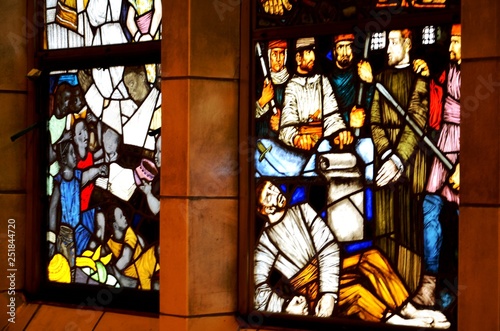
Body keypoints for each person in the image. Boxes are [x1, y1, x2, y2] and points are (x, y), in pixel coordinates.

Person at [254, 180, 450, 328]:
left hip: (328, 269)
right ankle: (397, 323)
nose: (275, 192)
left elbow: (328, 246)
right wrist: (284, 306)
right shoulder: (265, 242)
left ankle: (409, 311)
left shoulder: (302, 210)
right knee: (355, 291)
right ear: (263, 209)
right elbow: (256, 287)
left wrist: (329, 292)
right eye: (268, 196)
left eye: (272, 188)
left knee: (371, 256)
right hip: (308, 289)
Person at [369, 29, 429, 289]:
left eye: (394, 42)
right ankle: (386, 291)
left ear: (408, 43)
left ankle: (409, 290)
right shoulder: (380, 77)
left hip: (411, 163)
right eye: (387, 43)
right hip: (384, 164)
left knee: (409, 230)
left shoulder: (420, 77)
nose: (388, 49)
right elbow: (374, 120)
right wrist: (385, 153)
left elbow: (418, 119)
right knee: (383, 229)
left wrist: (398, 159)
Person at [413, 24, 461, 307]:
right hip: (444, 141)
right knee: (430, 208)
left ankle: (460, 284)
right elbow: (435, 111)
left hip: (466, 145)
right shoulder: (450, 70)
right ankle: (429, 283)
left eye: (457, 42)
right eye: (451, 41)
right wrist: (426, 77)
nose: (452, 48)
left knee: (461, 216)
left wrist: (464, 166)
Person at [279, 37, 353, 152]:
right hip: (300, 150)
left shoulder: (322, 81)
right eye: (308, 52)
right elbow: (287, 122)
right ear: (298, 58)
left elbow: (332, 115)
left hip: (323, 145)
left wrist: (338, 133)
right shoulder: (292, 86)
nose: (312, 57)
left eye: (313, 51)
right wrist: (296, 138)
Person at [106, 205, 160, 290]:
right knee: (158, 288)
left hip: (145, 263)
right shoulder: (109, 243)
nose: (125, 217)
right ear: (115, 225)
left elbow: (126, 258)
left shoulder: (129, 232)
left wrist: (113, 271)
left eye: (123, 214)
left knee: (160, 248)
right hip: (133, 276)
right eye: (121, 216)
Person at [256, 39, 290, 138]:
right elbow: (247, 116)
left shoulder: (292, 83)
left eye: (282, 53)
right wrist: (262, 102)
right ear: (269, 56)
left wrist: (282, 122)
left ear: (286, 56)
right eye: (274, 54)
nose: (278, 59)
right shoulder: (260, 85)